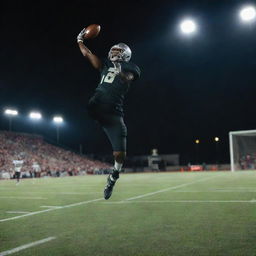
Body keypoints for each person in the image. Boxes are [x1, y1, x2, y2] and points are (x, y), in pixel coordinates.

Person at [77, 27, 141, 199]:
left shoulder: (131, 68)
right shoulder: (105, 64)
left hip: (114, 113)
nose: (114, 54)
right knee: (93, 102)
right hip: (98, 105)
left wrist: (119, 68)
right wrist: (80, 41)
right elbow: (89, 56)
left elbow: (127, 78)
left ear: (125, 55)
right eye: (113, 51)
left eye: (118, 52)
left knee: (119, 154)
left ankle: (113, 178)